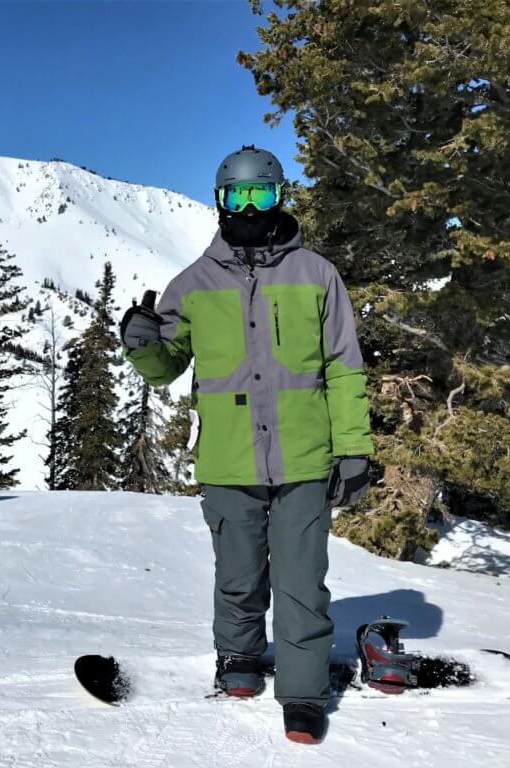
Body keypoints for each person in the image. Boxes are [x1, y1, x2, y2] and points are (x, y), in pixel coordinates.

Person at [119, 145, 374, 745]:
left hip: (305, 457)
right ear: (220, 200)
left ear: (280, 196)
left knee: (301, 579)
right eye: (239, 196)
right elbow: (164, 368)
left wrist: (354, 446)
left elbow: (343, 365)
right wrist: (141, 343)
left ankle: (303, 691)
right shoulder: (193, 283)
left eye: (261, 195)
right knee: (237, 575)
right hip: (229, 460)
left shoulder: (316, 275)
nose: (250, 207)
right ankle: (237, 659)